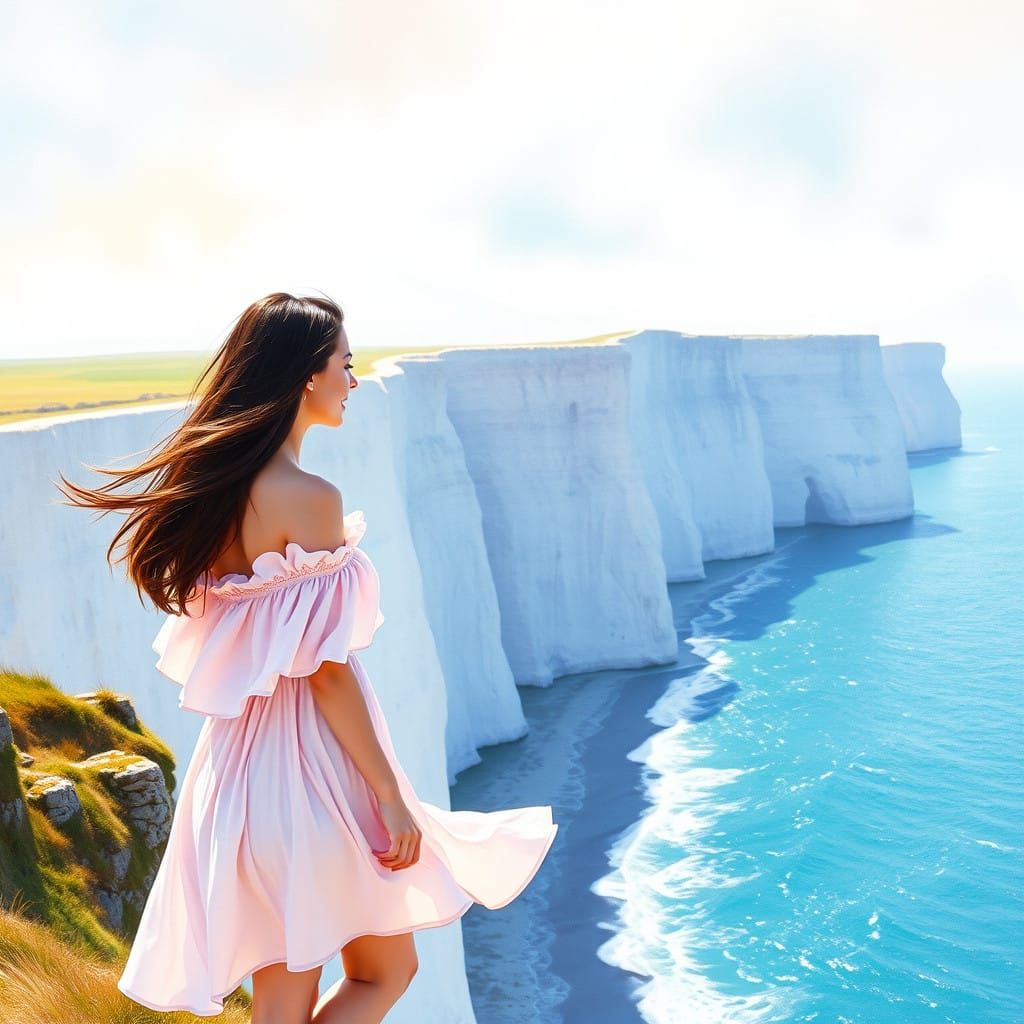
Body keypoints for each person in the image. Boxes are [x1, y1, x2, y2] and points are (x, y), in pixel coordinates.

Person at [55, 291, 559, 1023]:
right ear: (304, 378)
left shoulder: (218, 496)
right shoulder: (308, 498)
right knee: (378, 974)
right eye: (344, 365)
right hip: (309, 778)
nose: (352, 382)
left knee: (309, 993)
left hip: (238, 780)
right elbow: (324, 670)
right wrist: (388, 793)